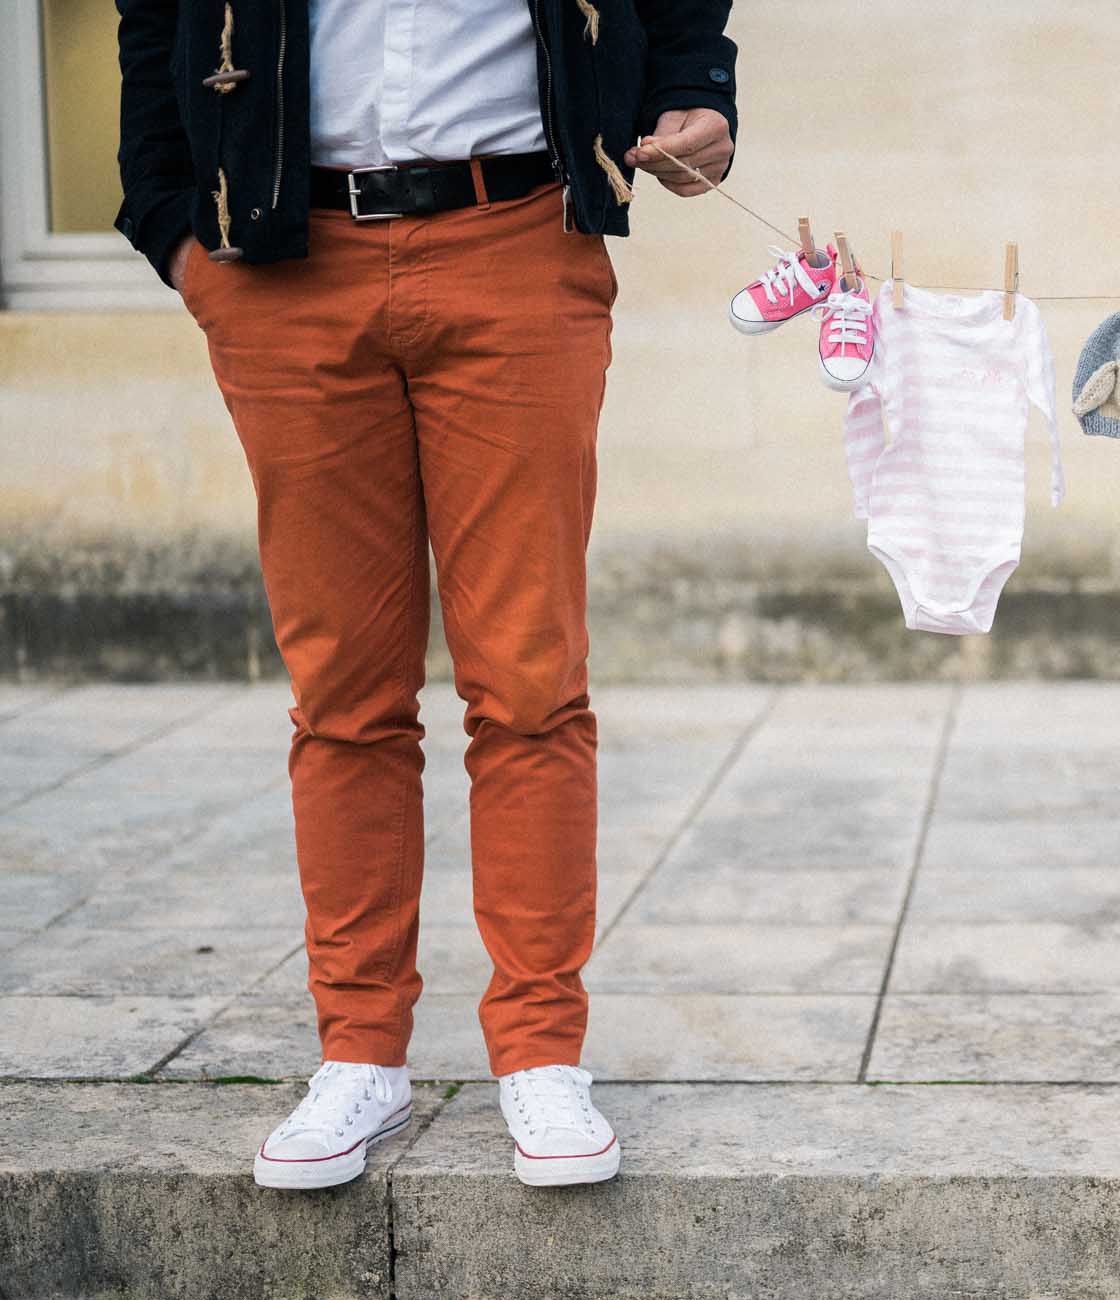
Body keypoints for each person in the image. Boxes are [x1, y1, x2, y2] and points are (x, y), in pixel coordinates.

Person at [114, 0, 739, 1189]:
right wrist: (174, 237)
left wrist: (698, 97)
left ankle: (541, 1053)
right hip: (282, 263)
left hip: (516, 244)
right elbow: (155, 25)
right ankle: (360, 1053)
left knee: (530, 679)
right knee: (342, 685)